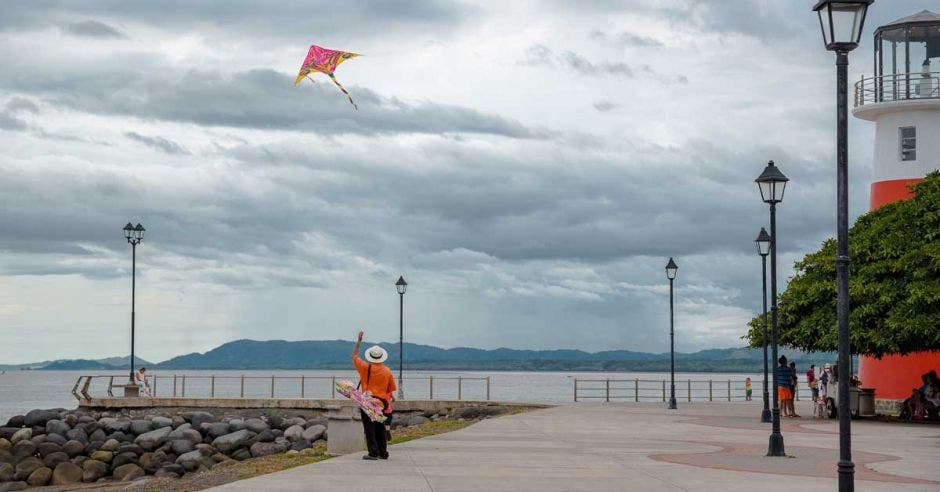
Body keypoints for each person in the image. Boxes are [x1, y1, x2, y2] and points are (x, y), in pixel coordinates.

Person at [351, 331, 397, 460]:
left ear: (370, 356)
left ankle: (373, 452)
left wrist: (359, 342)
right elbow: (390, 389)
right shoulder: (387, 371)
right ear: (382, 357)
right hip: (381, 402)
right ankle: (383, 452)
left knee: (369, 428)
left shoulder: (365, 367)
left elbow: (354, 356)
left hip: (367, 401)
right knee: (380, 427)